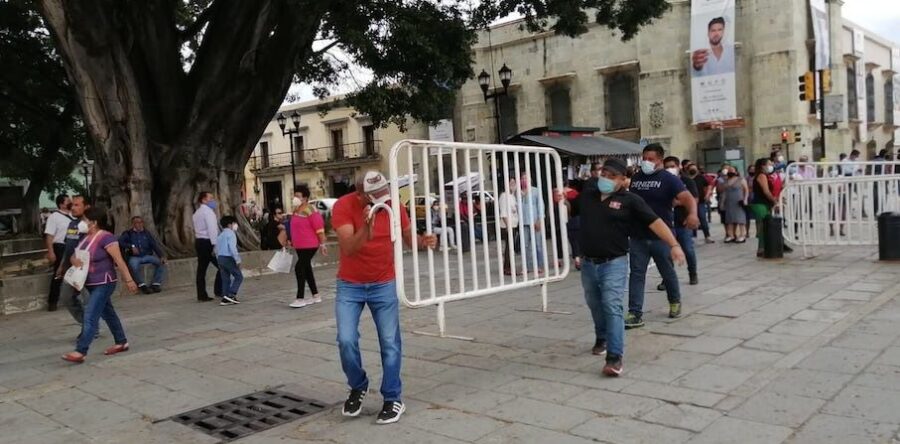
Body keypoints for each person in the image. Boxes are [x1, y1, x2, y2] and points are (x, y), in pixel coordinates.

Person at [332, 171, 436, 425]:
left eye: (383, 193)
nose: (381, 199)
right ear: (359, 194)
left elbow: (410, 238)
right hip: (350, 284)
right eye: (374, 196)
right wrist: (366, 228)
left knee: (390, 341)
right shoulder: (343, 207)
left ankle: (392, 397)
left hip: (383, 282)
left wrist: (424, 241)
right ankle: (358, 385)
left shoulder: (394, 207)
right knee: (345, 339)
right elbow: (348, 248)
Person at [567, 158, 685, 377]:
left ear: (623, 180)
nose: (606, 179)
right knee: (594, 303)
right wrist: (562, 200)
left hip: (614, 262)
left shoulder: (630, 200)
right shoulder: (589, 195)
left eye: (612, 177)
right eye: (604, 174)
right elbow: (570, 209)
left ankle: (614, 357)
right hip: (588, 262)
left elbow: (656, 222)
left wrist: (674, 245)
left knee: (612, 305)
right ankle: (601, 336)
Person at [626, 143, 698, 329]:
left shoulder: (668, 179)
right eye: (644, 159)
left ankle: (675, 301)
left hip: (662, 236)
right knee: (636, 274)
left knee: (667, 272)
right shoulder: (636, 178)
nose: (647, 162)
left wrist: (692, 214)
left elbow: (687, 197)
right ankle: (635, 312)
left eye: (651, 159)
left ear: (659, 160)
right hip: (638, 235)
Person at [61, 207, 138, 363]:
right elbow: (75, 256)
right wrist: (73, 260)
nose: (82, 223)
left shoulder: (107, 238)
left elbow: (119, 261)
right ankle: (121, 341)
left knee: (91, 315)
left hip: (104, 282)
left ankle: (80, 350)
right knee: (108, 312)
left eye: (85, 220)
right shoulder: (84, 238)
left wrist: (129, 280)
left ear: (94, 222)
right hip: (88, 282)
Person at [279, 185, 328, 308]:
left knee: (299, 268)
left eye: (298, 196)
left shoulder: (310, 210)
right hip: (299, 245)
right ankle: (316, 295)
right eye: (294, 196)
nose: (295, 198)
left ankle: (300, 298)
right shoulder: (296, 211)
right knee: (306, 269)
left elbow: (319, 227)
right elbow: (294, 227)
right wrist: (290, 240)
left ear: (305, 198)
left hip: (310, 245)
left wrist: (322, 243)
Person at [56, 196, 91, 334]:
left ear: (86, 207)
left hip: (86, 268)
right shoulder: (72, 224)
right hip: (71, 267)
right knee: (66, 297)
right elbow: (68, 246)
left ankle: (89, 329)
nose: (73, 208)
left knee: (88, 301)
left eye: (77, 205)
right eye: (72, 205)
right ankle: (86, 323)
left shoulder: (92, 225)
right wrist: (62, 265)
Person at [662, 156, 700, 286]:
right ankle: (667, 278)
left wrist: (679, 203)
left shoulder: (686, 181)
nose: (669, 169)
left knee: (688, 249)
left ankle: (693, 273)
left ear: (679, 167)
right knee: (666, 253)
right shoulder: (662, 182)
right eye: (666, 167)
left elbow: (694, 199)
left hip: (682, 221)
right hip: (666, 223)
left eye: (672, 166)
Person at [119, 216, 167, 294]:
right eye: (136, 223)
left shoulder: (146, 233)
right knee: (133, 266)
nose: (139, 224)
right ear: (133, 224)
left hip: (146, 256)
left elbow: (154, 245)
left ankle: (156, 284)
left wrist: (161, 256)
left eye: (140, 222)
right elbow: (121, 242)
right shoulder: (128, 233)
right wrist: (131, 246)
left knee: (161, 263)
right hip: (135, 257)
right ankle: (142, 285)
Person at [44, 194, 74, 311]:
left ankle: (75, 298)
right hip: (60, 246)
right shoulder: (54, 217)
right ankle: (52, 301)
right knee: (59, 273)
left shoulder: (73, 215)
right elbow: (49, 235)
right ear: (61, 204)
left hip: (73, 246)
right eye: (68, 201)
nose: (70, 202)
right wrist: (51, 252)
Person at [192, 192, 222, 302]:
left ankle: (202, 294)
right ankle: (218, 290)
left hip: (199, 241)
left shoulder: (197, 213)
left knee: (201, 270)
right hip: (208, 242)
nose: (213, 200)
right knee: (222, 265)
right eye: (210, 198)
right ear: (204, 200)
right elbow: (212, 229)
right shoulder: (208, 212)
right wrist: (215, 245)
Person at [748, 158, 778, 257]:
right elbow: (766, 191)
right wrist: (774, 201)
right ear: (762, 166)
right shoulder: (761, 176)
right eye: (769, 164)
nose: (771, 166)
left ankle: (764, 247)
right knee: (763, 226)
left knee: (764, 225)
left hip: (764, 203)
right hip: (760, 204)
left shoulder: (765, 176)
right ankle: (761, 248)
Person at [519, 172, 546, 276]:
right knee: (524, 246)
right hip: (523, 222)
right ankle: (526, 267)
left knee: (538, 244)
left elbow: (541, 205)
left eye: (526, 178)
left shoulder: (535, 190)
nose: (524, 180)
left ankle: (540, 265)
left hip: (534, 221)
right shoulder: (519, 192)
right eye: (523, 178)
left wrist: (539, 219)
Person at [216, 215, 243, 306]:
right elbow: (232, 248)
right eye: (234, 223)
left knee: (225, 279)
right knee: (239, 276)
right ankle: (231, 295)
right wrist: (237, 259)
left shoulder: (220, 235)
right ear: (229, 225)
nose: (235, 225)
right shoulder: (231, 234)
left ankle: (225, 297)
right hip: (228, 258)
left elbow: (216, 248)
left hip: (220, 258)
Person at [721, 165, 749, 243]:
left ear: (736, 172)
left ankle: (742, 235)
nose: (730, 171)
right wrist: (722, 203)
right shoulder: (726, 181)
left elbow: (746, 190)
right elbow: (724, 192)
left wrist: (745, 199)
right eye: (729, 170)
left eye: (732, 170)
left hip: (739, 201)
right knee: (729, 219)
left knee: (740, 218)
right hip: (729, 202)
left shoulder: (741, 180)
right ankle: (731, 235)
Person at [498, 177, 520, 275]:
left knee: (511, 246)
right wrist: (508, 225)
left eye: (514, 182)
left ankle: (508, 266)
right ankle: (507, 267)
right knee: (509, 247)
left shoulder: (513, 196)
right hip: (507, 225)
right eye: (511, 182)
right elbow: (503, 213)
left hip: (514, 223)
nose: (513, 184)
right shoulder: (504, 196)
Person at [690, 166, 714, 243]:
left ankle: (707, 236)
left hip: (700, 201)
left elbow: (708, 185)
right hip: (690, 202)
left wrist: (707, 194)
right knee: (692, 218)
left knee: (702, 218)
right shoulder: (687, 178)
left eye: (694, 168)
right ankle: (693, 236)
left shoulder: (700, 178)